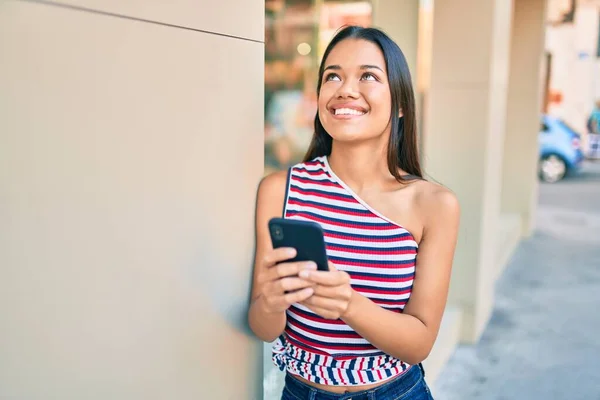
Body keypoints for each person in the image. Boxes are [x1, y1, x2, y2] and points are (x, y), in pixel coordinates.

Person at [248, 26, 460, 400]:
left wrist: (348, 304)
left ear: (401, 105)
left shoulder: (434, 205)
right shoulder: (280, 190)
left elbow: (419, 343)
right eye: (332, 76)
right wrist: (272, 301)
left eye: (368, 76)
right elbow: (263, 327)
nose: (345, 89)